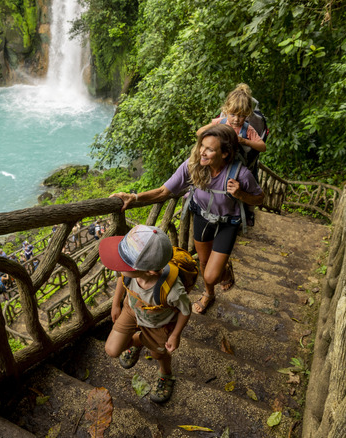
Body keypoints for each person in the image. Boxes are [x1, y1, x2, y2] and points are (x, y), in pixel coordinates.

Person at [110, 124, 264, 314]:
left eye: (210, 149)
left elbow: (259, 198)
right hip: (201, 215)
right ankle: (209, 294)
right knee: (204, 263)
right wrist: (133, 197)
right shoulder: (192, 166)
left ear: (224, 153)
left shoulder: (241, 174)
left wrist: (240, 194)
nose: (202, 152)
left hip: (227, 222)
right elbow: (163, 192)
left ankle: (224, 270)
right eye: (202, 146)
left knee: (211, 274)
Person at [100, 225, 191, 403]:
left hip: (158, 324)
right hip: (131, 310)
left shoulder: (172, 291)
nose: (118, 265)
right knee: (112, 350)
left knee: (158, 354)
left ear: (150, 271)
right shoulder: (130, 274)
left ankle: (166, 374)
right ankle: (141, 340)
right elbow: (122, 277)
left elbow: (185, 310)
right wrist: (116, 303)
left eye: (123, 262)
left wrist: (175, 335)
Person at [197, 83, 266, 228]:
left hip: (238, 167)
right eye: (233, 114)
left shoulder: (247, 129)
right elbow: (199, 132)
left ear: (247, 115)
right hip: (219, 163)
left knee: (249, 184)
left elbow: (262, 146)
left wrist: (244, 140)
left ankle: (247, 214)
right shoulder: (220, 122)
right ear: (226, 111)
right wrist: (214, 131)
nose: (236, 120)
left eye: (241, 116)